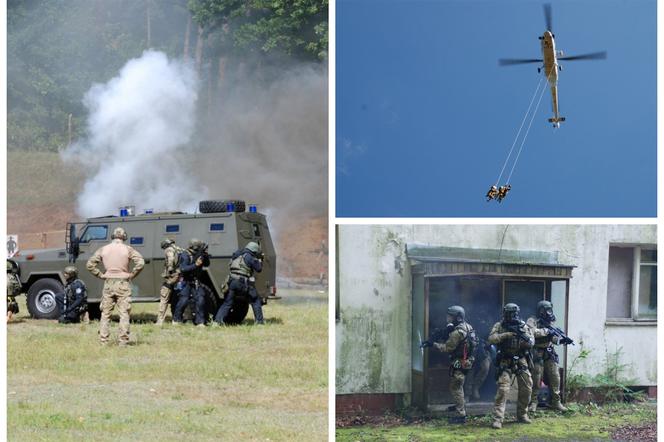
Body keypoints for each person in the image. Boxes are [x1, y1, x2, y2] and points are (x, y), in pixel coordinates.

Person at [86, 227, 144, 346]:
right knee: (124, 314)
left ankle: (103, 342)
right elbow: (141, 262)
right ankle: (123, 342)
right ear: (124, 236)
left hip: (108, 283)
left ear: (113, 236)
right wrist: (132, 274)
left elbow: (90, 264)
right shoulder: (128, 249)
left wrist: (101, 275)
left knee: (105, 314)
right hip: (123, 283)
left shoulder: (104, 249)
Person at [488, 303, 534, 429]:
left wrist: (524, 340)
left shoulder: (523, 326)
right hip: (505, 360)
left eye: (513, 313)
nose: (511, 316)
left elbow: (531, 341)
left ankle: (522, 415)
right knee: (503, 389)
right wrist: (505, 335)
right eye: (508, 313)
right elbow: (491, 338)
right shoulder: (499, 325)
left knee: (527, 387)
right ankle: (498, 419)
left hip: (520, 359)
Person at [433, 305, 477, 424]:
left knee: (455, 387)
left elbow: (447, 348)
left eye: (450, 316)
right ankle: (459, 405)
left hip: (460, 362)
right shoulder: (468, 327)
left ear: (457, 318)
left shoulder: (457, 332)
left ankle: (461, 414)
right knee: (459, 385)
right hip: (468, 361)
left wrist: (434, 344)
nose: (448, 318)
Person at [527, 300, 571, 412]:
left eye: (549, 309)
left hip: (549, 352)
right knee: (536, 378)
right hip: (537, 352)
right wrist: (546, 331)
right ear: (540, 310)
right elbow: (532, 332)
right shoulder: (532, 320)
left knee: (555, 376)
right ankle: (534, 402)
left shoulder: (550, 320)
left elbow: (553, 337)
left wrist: (561, 340)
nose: (547, 312)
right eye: (545, 309)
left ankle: (556, 402)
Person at [215, 241, 264, 325]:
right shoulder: (250, 257)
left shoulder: (237, 254)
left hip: (232, 281)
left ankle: (217, 321)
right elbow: (259, 269)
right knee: (255, 300)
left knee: (227, 303)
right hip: (242, 282)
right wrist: (260, 260)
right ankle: (259, 322)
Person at [172, 239, 210, 327]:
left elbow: (207, 264)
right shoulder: (185, 255)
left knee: (200, 299)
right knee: (184, 300)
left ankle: (200, 321)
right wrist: (195, 265)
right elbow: (183, 269)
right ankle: (176, 319)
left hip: (195, 281)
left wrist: (205, 255)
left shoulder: (199, 254)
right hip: (185, 280)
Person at [156, 239, 183, 326]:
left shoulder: (169, 250)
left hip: (171, 277)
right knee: (176, 299)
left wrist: (170, 268)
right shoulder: (179, 249)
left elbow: (170, 258)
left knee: (164, 297)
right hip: (178, 276)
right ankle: (175, 320)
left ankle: (160, 321)